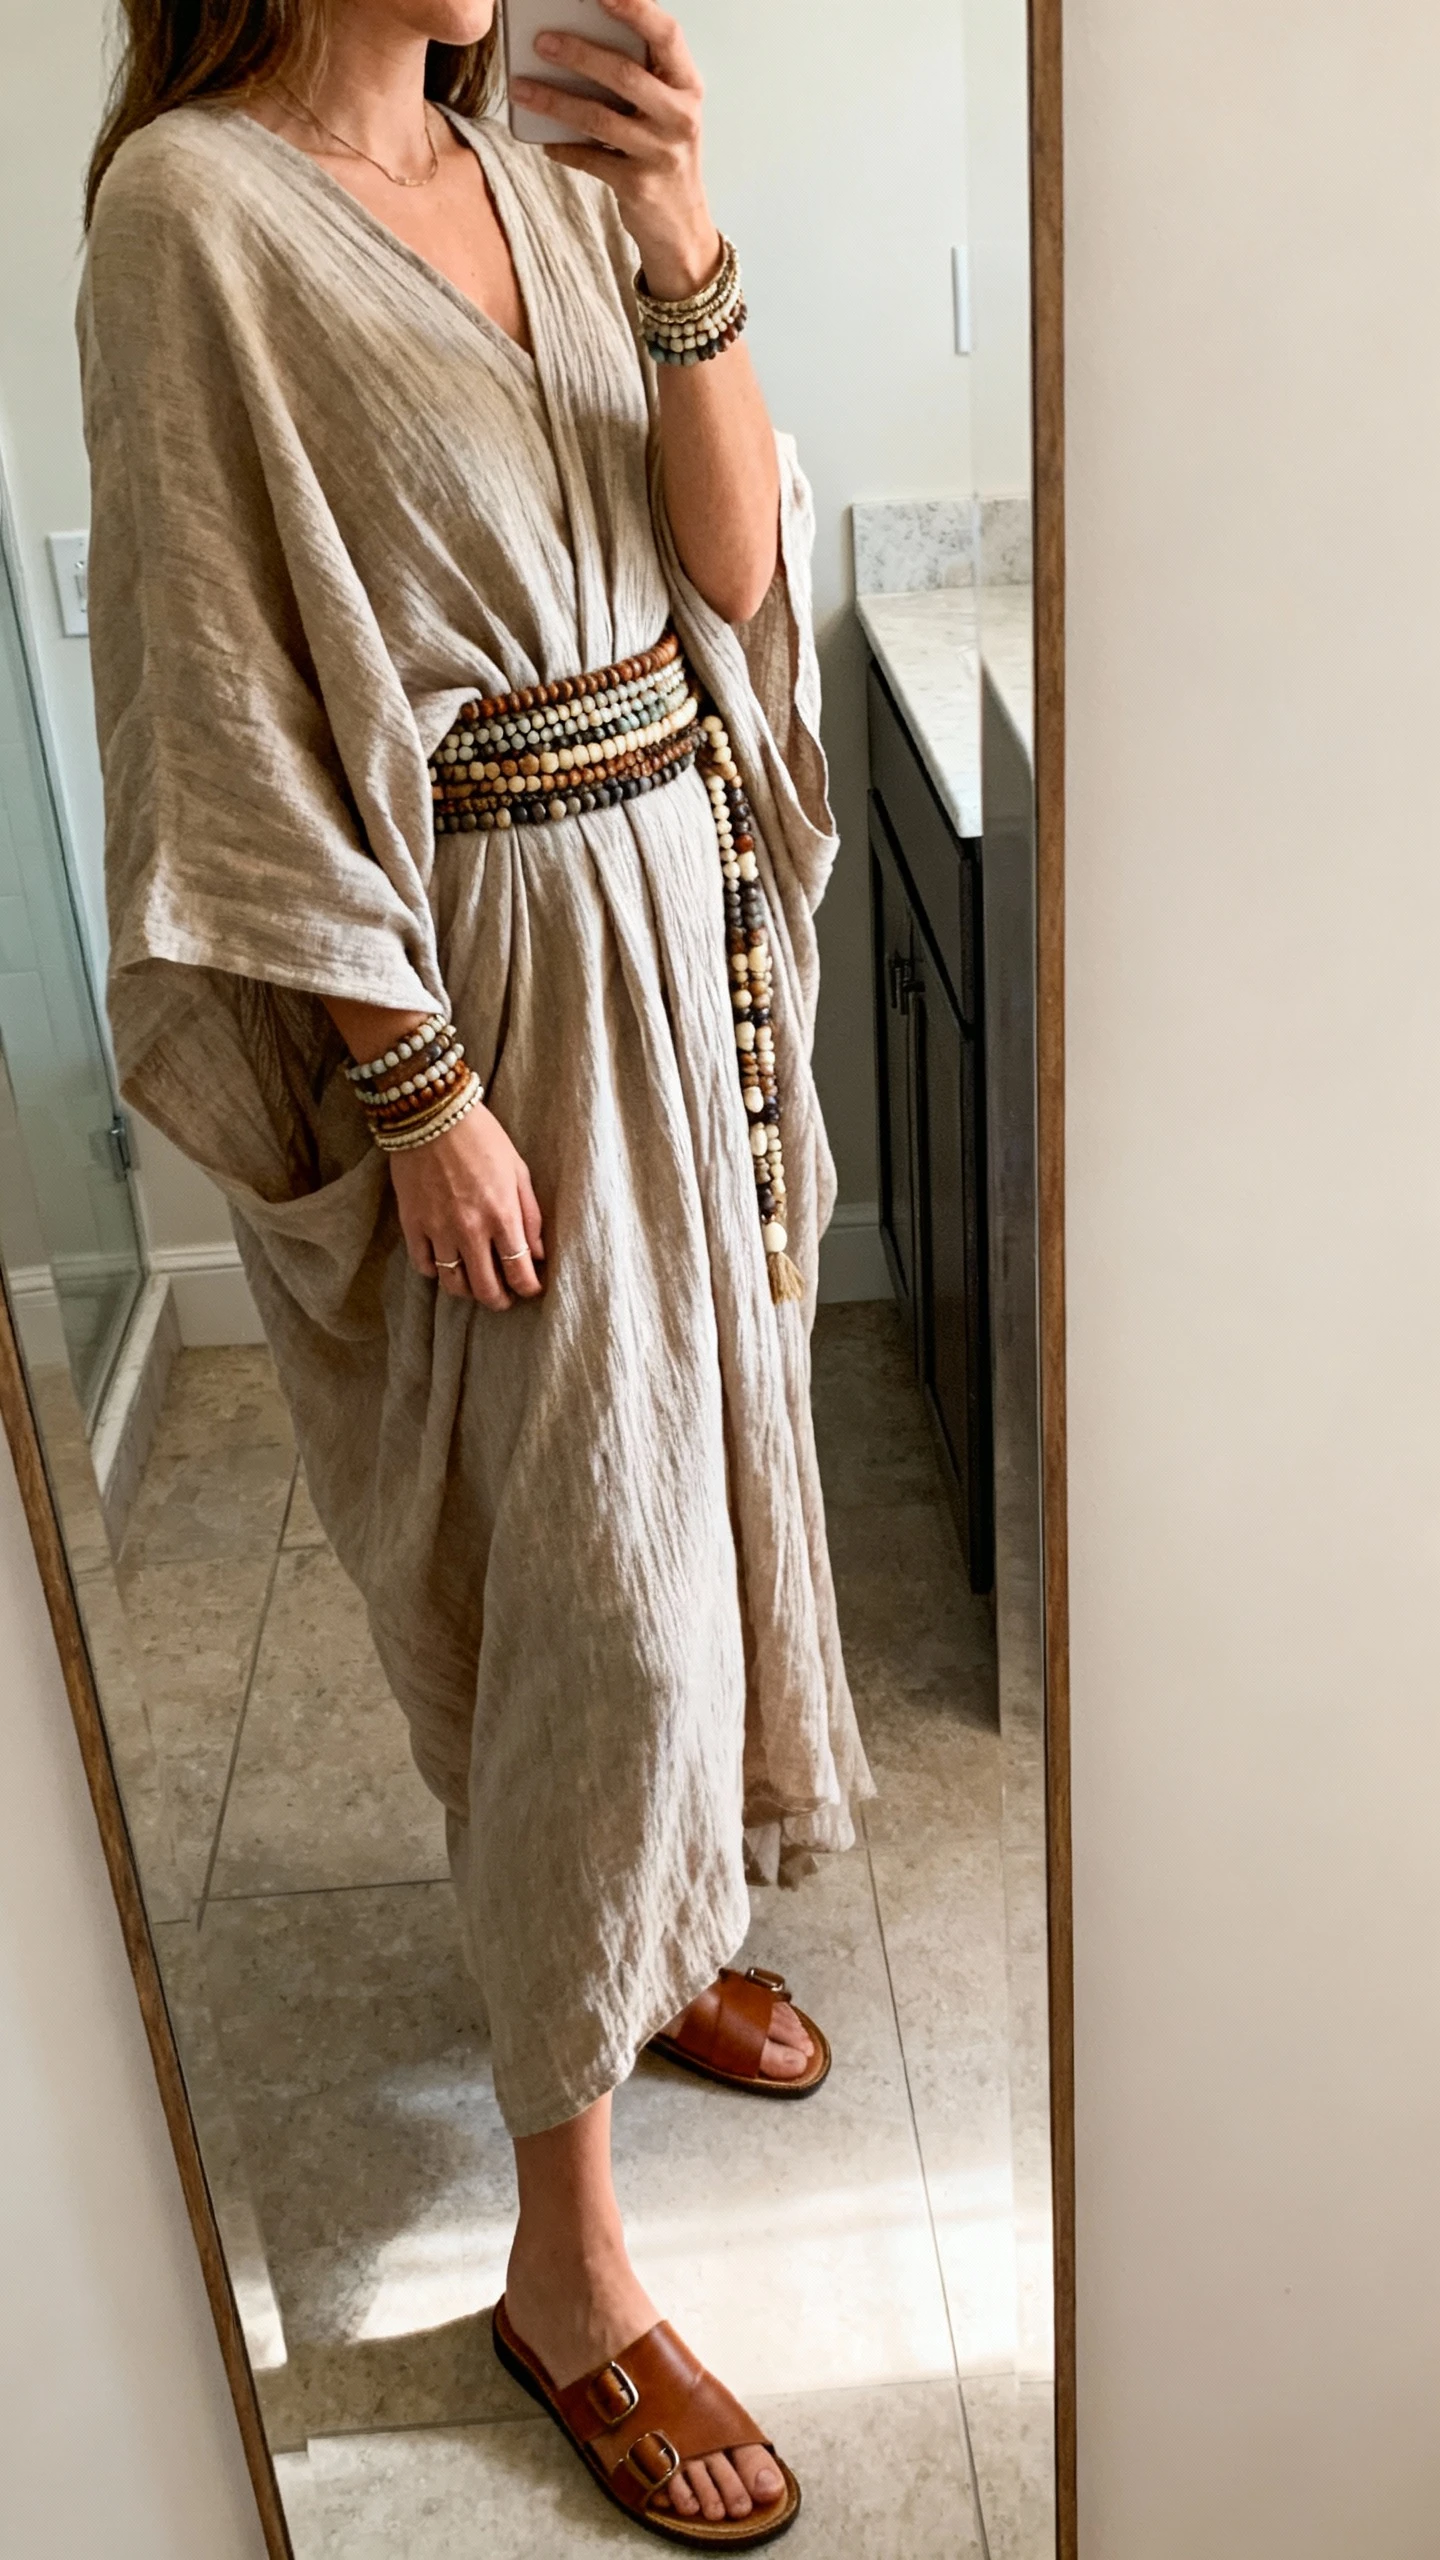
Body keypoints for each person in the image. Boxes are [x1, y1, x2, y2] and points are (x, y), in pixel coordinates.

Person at [81, 0, 870, 2538]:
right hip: (495, 978)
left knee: (716, 1498)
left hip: (689, 919)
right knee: (591, 1597)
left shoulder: (524, 162)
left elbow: (731, 568)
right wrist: (409, 1080)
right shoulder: (191, 215)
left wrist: (674, 239)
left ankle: (665, 1931)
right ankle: (569, 2264)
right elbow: (216, 691)